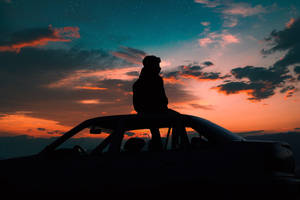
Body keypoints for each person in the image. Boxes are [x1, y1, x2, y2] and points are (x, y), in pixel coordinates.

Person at [132, 55, 168, 151]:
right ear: (150, 66)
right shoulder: (141, 84)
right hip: (150, 114)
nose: (159, 68)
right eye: (157, 65)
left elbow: (163, 100)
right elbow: (139, 106)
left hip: (158, 112)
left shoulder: (156, 80)